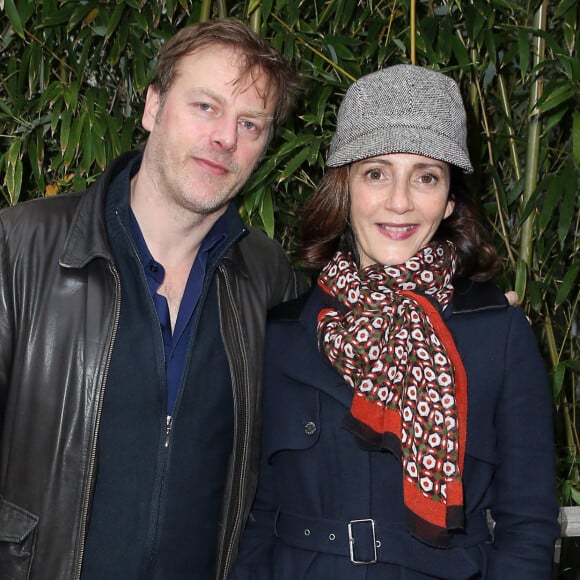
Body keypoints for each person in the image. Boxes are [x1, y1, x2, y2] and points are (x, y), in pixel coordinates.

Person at [0, 18, 307, 580]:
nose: (225, 139)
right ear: (153, 107)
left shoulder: (268, 278)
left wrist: (463, 317)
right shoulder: (21, 247)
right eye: (205, 107)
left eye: (251, 124)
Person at [231, 65, 560, 579]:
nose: (400, 201)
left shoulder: (498, 335)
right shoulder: (283, 333)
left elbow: (529, 525)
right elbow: (255, 516)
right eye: (376, 173)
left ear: (449, 199)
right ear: (345, 190)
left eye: (425, 176)